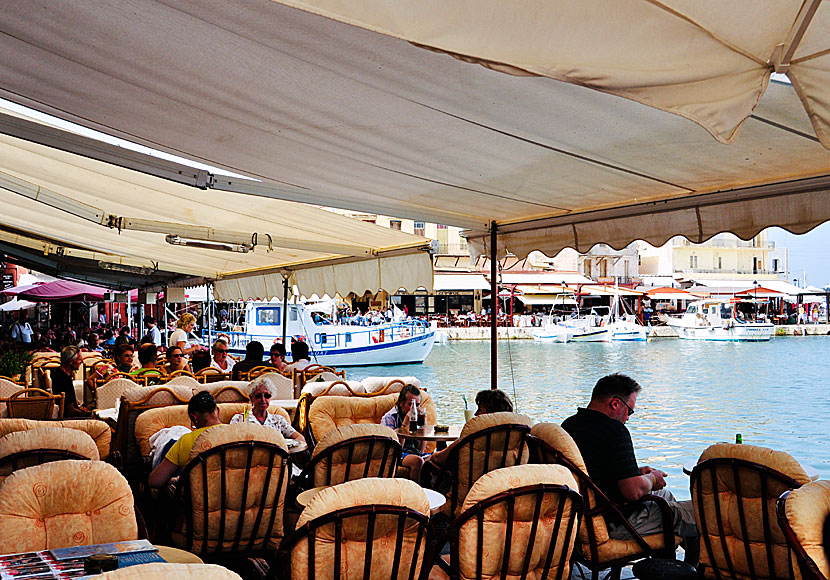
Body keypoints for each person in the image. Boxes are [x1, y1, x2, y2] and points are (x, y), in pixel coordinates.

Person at [561, 373, 698, 564]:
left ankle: (675, 567)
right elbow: (632, 491)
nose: (627, 418)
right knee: (703, 510)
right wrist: (652, 479)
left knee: (665, 496)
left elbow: (597, 470)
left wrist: (635, 473)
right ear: (615, 403)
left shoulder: (569, 425)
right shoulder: (614, 431)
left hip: (585, 519)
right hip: (618, 522)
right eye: (629, 411)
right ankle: (689, 570)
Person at [425, 388, 514, 470]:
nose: (475, 414)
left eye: (479, 410)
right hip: (505, 482)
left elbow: (439, 458)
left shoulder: (475, 435)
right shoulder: (516, 435)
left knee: (427, 464)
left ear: (491, 414)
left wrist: (430, 457)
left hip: (471, 484)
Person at [148, 391, 223, 488]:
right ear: (218, 411)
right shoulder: (237, 434)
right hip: (239, 499)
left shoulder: (186, 441)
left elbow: (155, 481)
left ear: (194, 417)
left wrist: (176, 480)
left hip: (200, 501)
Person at [229, 377, 305, 444]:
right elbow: (230, 441)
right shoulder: (240, 419)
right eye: (258, 396)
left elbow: (300, 438)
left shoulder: (278, 420)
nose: (263, 399)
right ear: (251, 398)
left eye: (267, 396)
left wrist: (286, 448)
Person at [381, 384, 427, 482]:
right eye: (411, 405)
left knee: (438, 457)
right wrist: (406, 421)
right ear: (401, 403)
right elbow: (395, 451)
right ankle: (416, 495)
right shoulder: (389, 418)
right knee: (418, 461)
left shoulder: (418, 416)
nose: (414, 409)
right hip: (398, 455)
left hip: (415, 453)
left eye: (417, 405)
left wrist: (423, 427)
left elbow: (420, 449)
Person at [51, 346, 90, 417]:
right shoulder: (63, 379)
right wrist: (89, 414)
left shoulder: (57, 373)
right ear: (71, 362)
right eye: (79, 359)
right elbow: (70, 412)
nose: (82, 362)